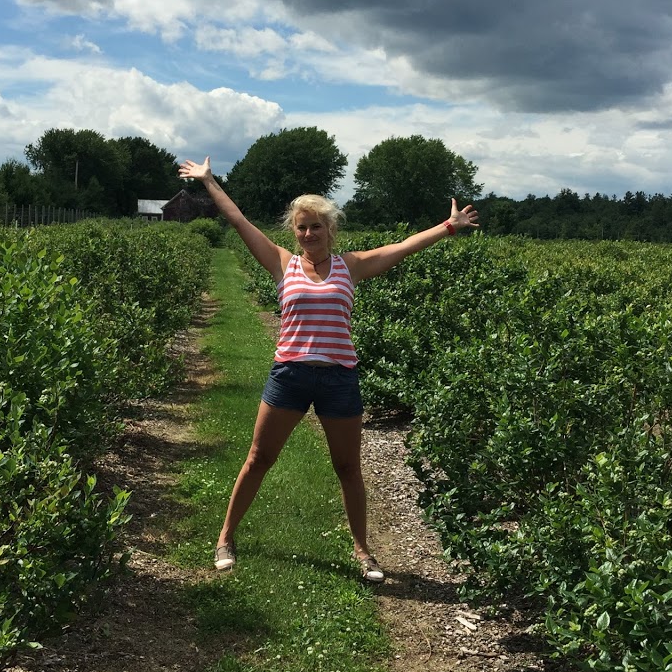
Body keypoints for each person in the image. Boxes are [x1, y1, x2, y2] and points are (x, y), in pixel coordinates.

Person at [177, 156, 479, 580]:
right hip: (291, 375)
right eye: (301, 226)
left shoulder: (350, 266)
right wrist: (209, 181)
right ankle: (225, 536)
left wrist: (448, 227)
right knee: (259, 458)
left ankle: (363, 551)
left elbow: (404, 246)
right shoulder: (282, 262)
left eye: (316, 226)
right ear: (293, 230)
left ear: (330, 230)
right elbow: (239, 219)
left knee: (348, 467)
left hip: (339, 378)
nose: (308, 233)